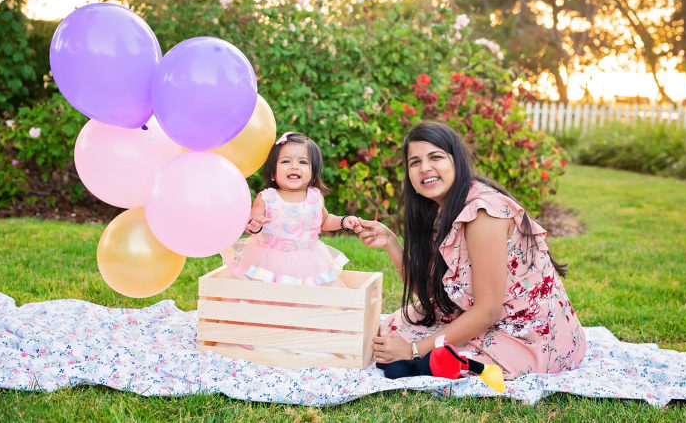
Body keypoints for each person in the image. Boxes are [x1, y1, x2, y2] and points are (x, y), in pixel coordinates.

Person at [353, 122, 586, 379]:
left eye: (436, 157)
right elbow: (435, 295)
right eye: (414, 162)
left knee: (417, 349)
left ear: (457, 161)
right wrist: (390, 242)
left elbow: (488, 311)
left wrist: (413, 350)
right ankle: (429, 360)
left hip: (529, 334)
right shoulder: (442, 209)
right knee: (393, 327)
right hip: (485, 318)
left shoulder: (483, 214)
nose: (425, 168)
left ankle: (426, 363)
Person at [223, 131, 359, 287]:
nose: (294, 166)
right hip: (268, 259)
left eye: (302, 162)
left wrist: (342, 221)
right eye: (286, 161)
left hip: (308, 260)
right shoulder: (267, 198)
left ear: (313, 173)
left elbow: (325, 220)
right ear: (273, 173)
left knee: (307, 291)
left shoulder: (315, 197)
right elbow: (252, 222)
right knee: (265, 290)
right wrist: (255, 226)